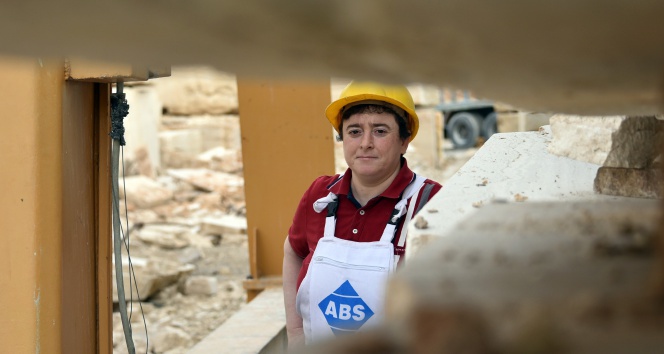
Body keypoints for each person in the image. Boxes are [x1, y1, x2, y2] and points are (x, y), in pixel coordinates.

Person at [282, 81, 442, 347]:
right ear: (342, 139)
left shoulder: (431, 202)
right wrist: (296, 332)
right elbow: (293, 251)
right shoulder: (320, 195)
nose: (365, 143)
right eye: (354, 131)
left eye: (380, 131)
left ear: (404, 140)